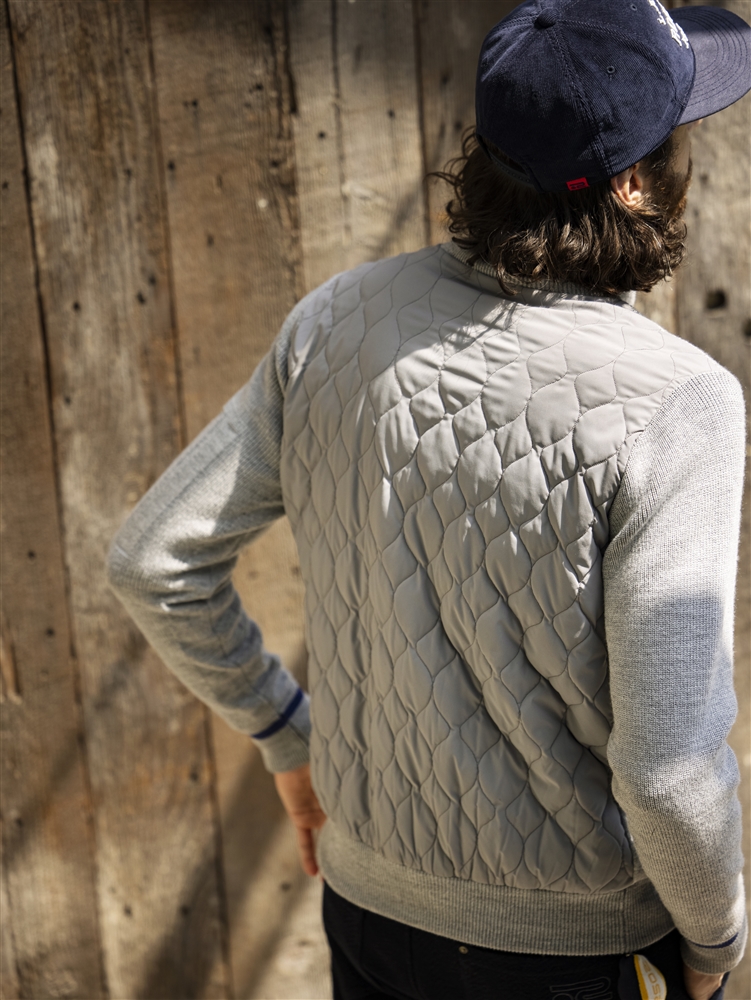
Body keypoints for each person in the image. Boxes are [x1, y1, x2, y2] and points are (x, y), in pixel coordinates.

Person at [107, 2, 751, 998]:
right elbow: (667, 768)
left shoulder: (334, 319)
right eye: (679, 139)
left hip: (367, 919)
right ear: (633, 186)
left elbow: (153, 559)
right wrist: (715, 941)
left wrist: (285, 734)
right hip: (565, 957)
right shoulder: (678, 404)